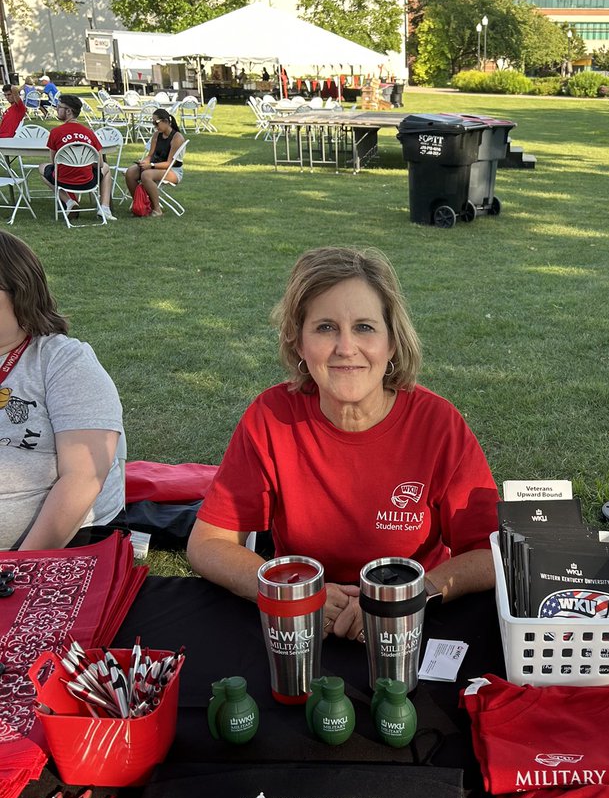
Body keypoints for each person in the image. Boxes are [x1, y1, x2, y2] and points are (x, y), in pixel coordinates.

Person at [188, 246, 498, 643]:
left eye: (365, 327)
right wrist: (295, 594)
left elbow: (492, 553)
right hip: (300, 628)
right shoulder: (272, 417)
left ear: (392, 343)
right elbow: (208, 543)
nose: (346, 348)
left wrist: (406, 597)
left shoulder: (438, 425)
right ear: (299, 343)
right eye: (325, 327)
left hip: (413, 622)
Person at [0, 231, 125, 550]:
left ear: (20, 292)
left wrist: (18, 567)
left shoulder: (63, 362)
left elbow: (83, 477)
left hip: (53, 546)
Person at [40, 93, 116, 222]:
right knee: (107, 168)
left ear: (68, 111)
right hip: (88, 181)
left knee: (42, 168)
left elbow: (53, 162)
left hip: (62, 180)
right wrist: (83, 163)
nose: (56, 109)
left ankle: (69, 201)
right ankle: (104, 207)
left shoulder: (55, 132)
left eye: (59, 107)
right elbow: (100, 164)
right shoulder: (89, 133)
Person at [124, 108, 186, 218]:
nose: (154, 126)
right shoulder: (157, 135)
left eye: (156, 123)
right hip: (155, 167)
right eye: (152, 123)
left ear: (166, 122)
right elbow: (150, 155)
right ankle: (140, 204)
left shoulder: (177, 138)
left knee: (146, 175)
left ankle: (157, 209)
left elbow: (169, 163)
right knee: (130, 172)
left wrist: (151, 165)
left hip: (172, 171)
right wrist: (144, 162)